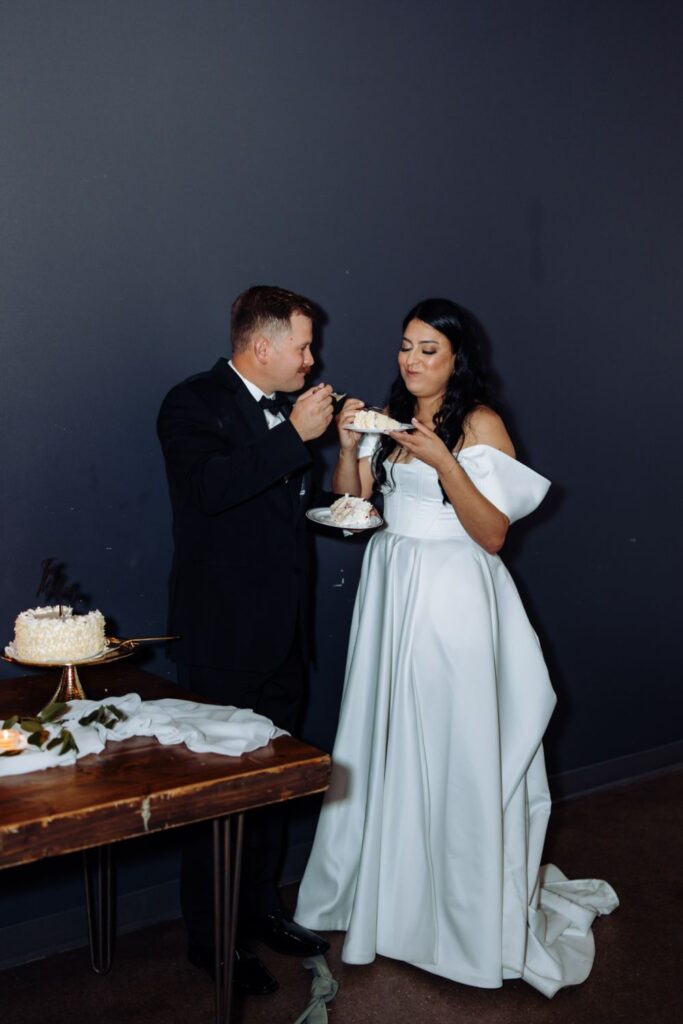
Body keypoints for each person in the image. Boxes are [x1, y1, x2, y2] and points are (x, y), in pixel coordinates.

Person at [295, 298, 618, 997]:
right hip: (392, 583)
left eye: (428, 350)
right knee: (388, 739)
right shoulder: (391, 415)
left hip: (453, 594)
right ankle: (386, 898)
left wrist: (443, 460)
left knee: (450, 741)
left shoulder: (479, 423)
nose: (411, 361)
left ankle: (455, 916)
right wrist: (351, 451)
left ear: (455, 358)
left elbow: (493, 534)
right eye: (405, 347)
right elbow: (354, 512)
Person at [157, 285, 333, 995]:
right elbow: (209, 491)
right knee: (216, 799)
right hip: (222, 638)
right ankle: (213, 941)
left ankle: (260, 909)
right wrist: (293, 435)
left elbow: (278, 512)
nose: (311, 359)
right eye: (302, 346)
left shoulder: (287, 413)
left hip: (284, 636)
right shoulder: (190, 403)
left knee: (272, 790)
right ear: (261, 348)